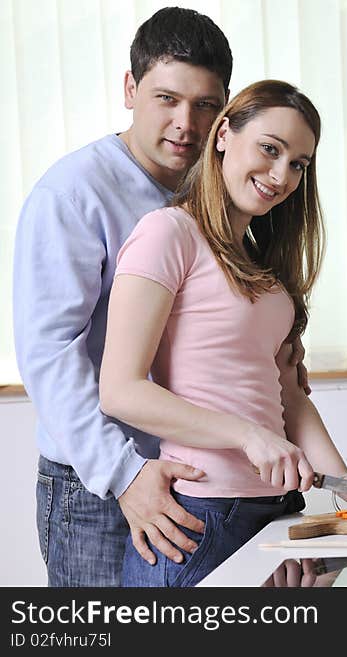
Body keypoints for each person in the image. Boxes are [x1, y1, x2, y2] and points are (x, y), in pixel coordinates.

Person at [98, 79, 347, 587]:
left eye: (298, 164)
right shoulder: (167, 233)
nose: (281, 175)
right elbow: (120, 390)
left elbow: (288, 395)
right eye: (270, 149)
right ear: (223, 135)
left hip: (277, 511)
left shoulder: (262, 267)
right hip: (201, 522)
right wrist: (250, 437)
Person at [12, 7, 251, 587]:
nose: (185, 124)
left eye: (204, 105)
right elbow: (50, 353)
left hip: (197, 476)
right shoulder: (73, 193)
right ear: (130, 88)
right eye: (166, 98)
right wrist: (124, 475)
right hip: (98, 484)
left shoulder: (218, 189)